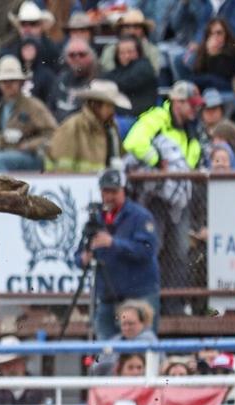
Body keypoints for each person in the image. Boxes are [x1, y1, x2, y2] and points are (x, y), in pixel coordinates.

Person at [74, 168, 161, 340]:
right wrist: (84, 259)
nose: (109, 196)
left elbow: (147, 251)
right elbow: (78, 255)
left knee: (143, 347)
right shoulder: (96, 219)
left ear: (123, 190)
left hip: (139, 296)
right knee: (106, 350)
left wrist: (114, 243)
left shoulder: (140, 216)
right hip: (108, 298)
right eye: (105, 191)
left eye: (114, 191)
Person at [46, 79, 129, 173]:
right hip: (77, 186)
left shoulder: (112, 128)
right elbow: (61, 168)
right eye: (109, 106)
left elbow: (119, 157)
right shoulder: (73, 127)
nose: (112, 111)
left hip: (105, 185)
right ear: (95, 105)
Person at [123, 80, 202, 171]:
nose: (196, 109)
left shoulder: (193, 132)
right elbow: (134, 142)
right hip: (151, 179)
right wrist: (158, 162)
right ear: (177, 102)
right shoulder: (157, 117)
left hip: (180, 182)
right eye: (192, 105)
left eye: (197, 105)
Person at [91, 300, 159, 375]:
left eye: (131, 324)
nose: (127, 328)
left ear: (143, 322)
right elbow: (96, 366)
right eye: (124, 324)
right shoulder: (115, 340)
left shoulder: (150, 340)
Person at [103, 36, 158, 118]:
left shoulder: (144, 66)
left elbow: (127, 82)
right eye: (122, 53)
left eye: (130, 52)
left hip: (140, 116)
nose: (126, 56)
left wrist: (108, 84)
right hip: (120, 115)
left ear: (138, 52)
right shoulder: (117, 71)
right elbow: (103, 80)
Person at [48, 37, 100, 122]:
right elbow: (51, 107)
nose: (77, 58)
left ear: (91, 56)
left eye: (82, 54)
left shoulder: (99, 80)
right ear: (66, 58)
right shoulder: (60, 79)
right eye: (72, 55)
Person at [188, 18, 235, 93]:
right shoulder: (204, 49)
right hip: (210, 86)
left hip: (230, 85)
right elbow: (198, 71)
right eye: (211, 33)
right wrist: (209, 54)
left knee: (208, 80)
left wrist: (214, 54)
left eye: (219, 33)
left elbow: (225, 74)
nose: (215, 37)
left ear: (226, 34)